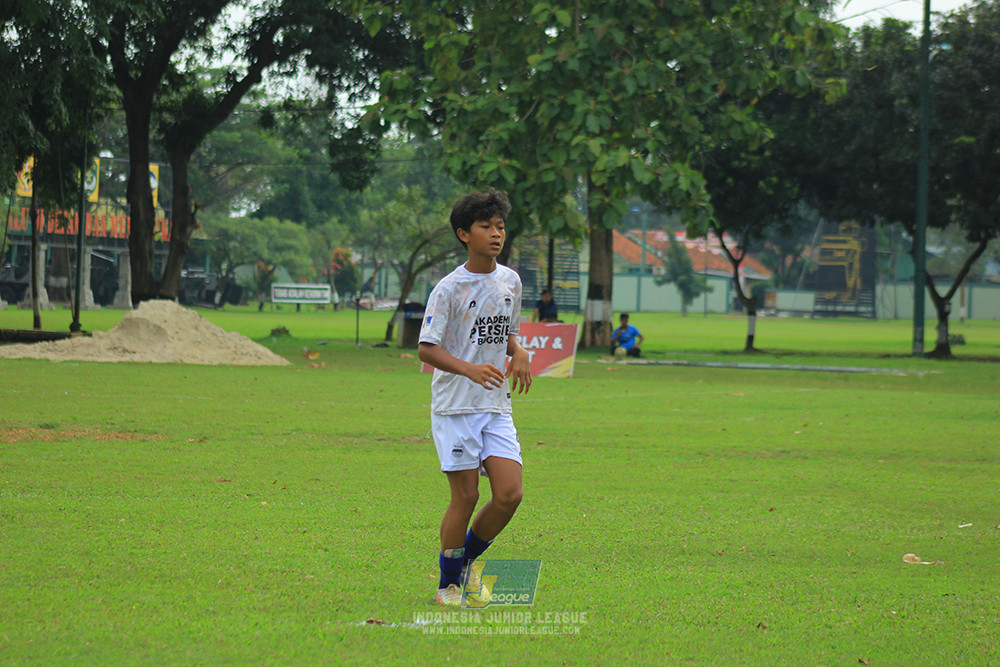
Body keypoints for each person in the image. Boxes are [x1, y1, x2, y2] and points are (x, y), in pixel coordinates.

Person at [417, 188, 532, 606]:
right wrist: (468, 368)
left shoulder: (510, 281)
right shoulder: (448, 288)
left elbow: (509, 335)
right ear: (465, 234)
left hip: (495, 404)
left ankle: (462, 565)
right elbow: (426, 348)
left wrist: (518, 353)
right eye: (486, 227)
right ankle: (448, 586)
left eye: (500, 226)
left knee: (509, 493)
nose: (496, 234)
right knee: (466, 496)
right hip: (455, 406)